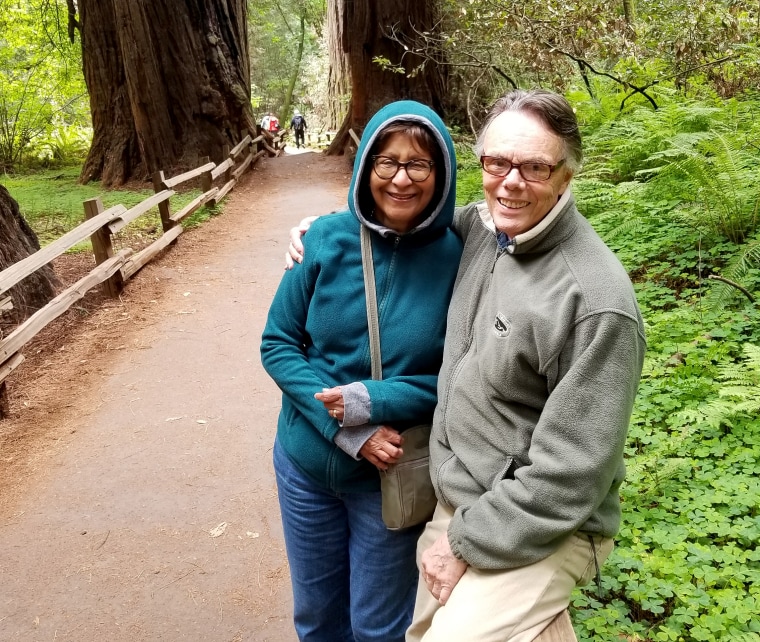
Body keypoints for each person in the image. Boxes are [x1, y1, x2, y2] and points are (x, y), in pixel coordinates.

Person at [286, 89, 646, 641]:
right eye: (498, 162)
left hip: (540, 518)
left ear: (567, 175)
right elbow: (405, 217)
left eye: (534, 166)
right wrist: (327, 230)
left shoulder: (594, 302)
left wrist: (464, 544)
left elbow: (572, 474)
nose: (511, 181)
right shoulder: (484, 232)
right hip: (460, 495)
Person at [260, 100, 462, 642]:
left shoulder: (462, 259)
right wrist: (348, 429)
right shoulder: (324, 238)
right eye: (386, 162)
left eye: (418, 164)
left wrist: (375, 402)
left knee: (378, 629)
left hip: (390, 477)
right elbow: (278, 344)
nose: (401, 178)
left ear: (441, 173)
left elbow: (457, 377)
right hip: (306, 466)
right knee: (318, 620)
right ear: (365, 167)